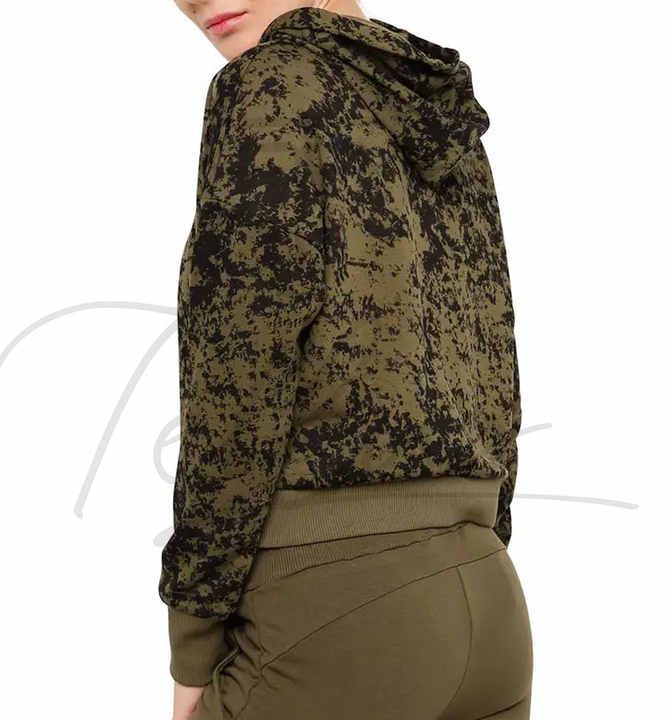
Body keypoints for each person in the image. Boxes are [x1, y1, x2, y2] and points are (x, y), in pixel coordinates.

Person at [160, 1, 533, 718]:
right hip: (490, 603)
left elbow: (235, 370)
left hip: (331, 616)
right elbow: (494, 349)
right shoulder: (433, 106)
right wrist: (480, 540)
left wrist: (193, 642)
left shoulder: (270, 82)